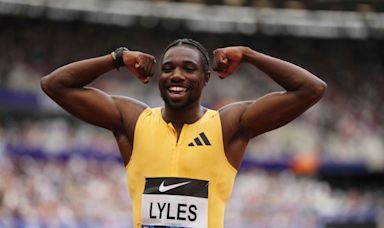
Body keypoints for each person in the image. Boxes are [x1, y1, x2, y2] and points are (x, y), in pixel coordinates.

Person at [41, 38, 326, 228]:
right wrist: (118, 58)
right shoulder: (134, 121)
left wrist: (250, 56)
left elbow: (311, 89)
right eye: (168, 68)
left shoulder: (227, 126)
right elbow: (55, 85)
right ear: (158, 77)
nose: (177, 75)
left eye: (189, 68)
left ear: (206, 78)